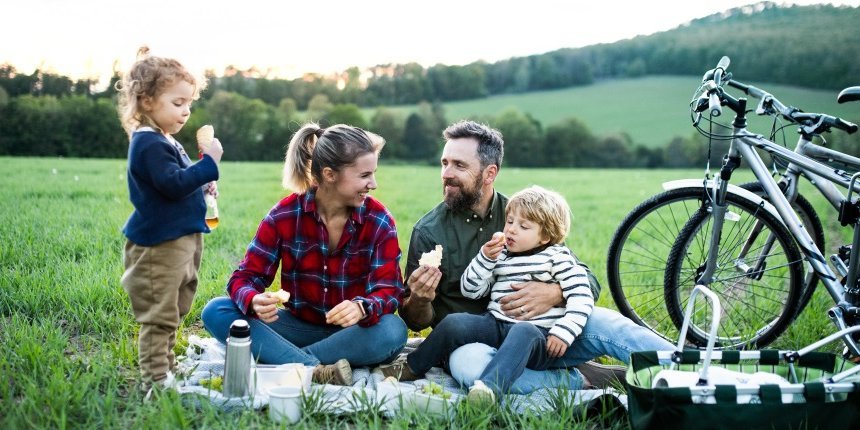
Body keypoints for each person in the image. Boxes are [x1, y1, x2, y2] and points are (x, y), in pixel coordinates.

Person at [396, 120, 674, 393]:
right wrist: (420, 297)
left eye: (459, 165)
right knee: (471, 369)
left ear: (489, 173)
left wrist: (555, 293)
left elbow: (584, 278)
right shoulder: (429, 231)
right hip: (475, 341)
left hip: (543, 333)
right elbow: (415, 321)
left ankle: (695, 368)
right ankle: (581, 379)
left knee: (609, 323)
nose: (446, 173)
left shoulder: (522, 214)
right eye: (444, 163)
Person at [201, 122, 407, 386]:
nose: (373, 184)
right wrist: (252, 299)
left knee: (393, 330)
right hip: (295, 328)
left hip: (353, 334)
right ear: (330, 174)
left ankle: (286, 363)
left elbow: (389, 290)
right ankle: (313, 368)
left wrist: (361, 307)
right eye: (365, 175)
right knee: (217, 310)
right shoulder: (284, 215)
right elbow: (245, 277)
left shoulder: (379, 220)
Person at [383, 185, 595, 403]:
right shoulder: (502, 254)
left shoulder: (558, 257)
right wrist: (485, 258)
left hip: (538, 338)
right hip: (497, 324)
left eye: (523, 226)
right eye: (510, 221)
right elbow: (471, 290)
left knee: (523, 331)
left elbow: (582, 296)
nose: (511, 229)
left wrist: (563, 332)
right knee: (454, 322)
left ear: (545, 237)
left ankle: (488, 389)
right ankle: (410, 367)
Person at [116, 46, 223, 391]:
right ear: (147, 101)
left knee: (177, 306)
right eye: (177, 103)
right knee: (159, 314)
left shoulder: (164, 140)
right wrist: (209, 165)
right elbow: (171, 184)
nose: (186, 111)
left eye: (189, 103)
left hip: (183, 237)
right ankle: (155, 381)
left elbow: (180, 181)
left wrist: (203, 183)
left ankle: (168, 367)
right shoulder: (147, 143)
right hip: (160, 244)